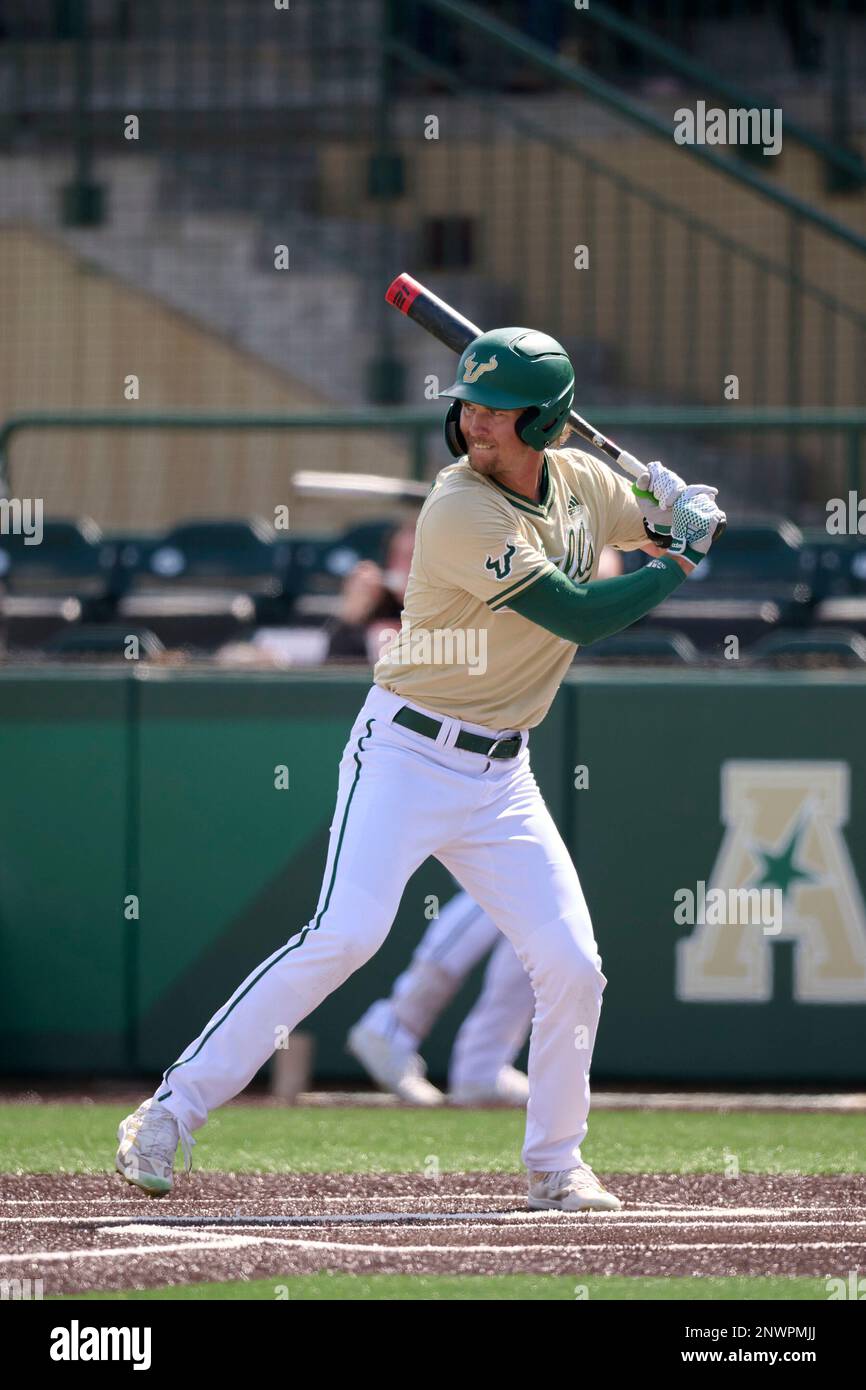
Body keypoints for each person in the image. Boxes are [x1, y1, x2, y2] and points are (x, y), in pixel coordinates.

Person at [115, 325, 724, 1211]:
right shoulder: (457, 508)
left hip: (502, 774)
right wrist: (680, 557)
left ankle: (555, 1163)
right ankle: (170, 1113)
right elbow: (580, 616)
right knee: (346, 933)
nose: (475, 421)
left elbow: (654, 519)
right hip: (405, 748)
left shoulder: (587, 481)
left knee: (571, 964)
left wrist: (680, 504)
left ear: (547, 422)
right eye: (468, 405)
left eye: (497, 410)